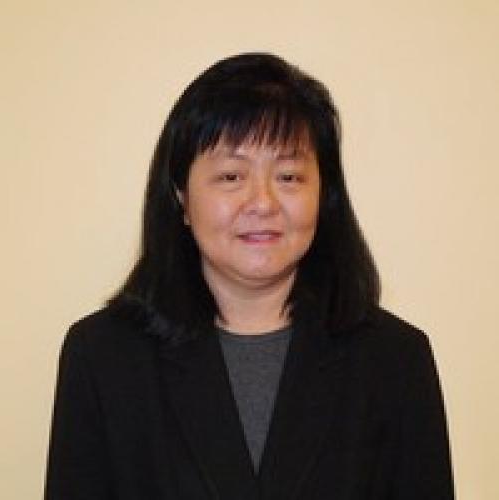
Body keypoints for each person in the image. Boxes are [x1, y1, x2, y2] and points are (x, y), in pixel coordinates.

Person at [44, 52, 455, 500]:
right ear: (181, 196)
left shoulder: (394, 361)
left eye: (289, 176)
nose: (263, 202)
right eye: (231, 176)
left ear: (324, 195)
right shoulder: (103, 358)